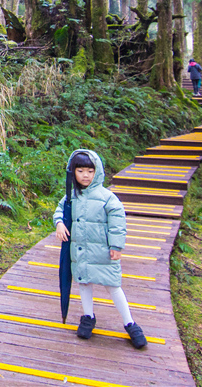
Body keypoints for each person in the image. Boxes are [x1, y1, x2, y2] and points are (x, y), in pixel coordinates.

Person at [53, 150, 148, 349]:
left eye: (90, 171)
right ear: (73, 172)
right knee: (84, 283)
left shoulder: (107, 197)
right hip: (80, 252)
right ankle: (88, 317)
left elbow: (117, 222)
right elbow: (60, 210)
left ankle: (129, 323)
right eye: (80, 171)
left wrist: (116, 245)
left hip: (103, 252)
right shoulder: (71, 196)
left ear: (98, 172)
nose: (85, 175)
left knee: (113, 285)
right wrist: (59, 223)